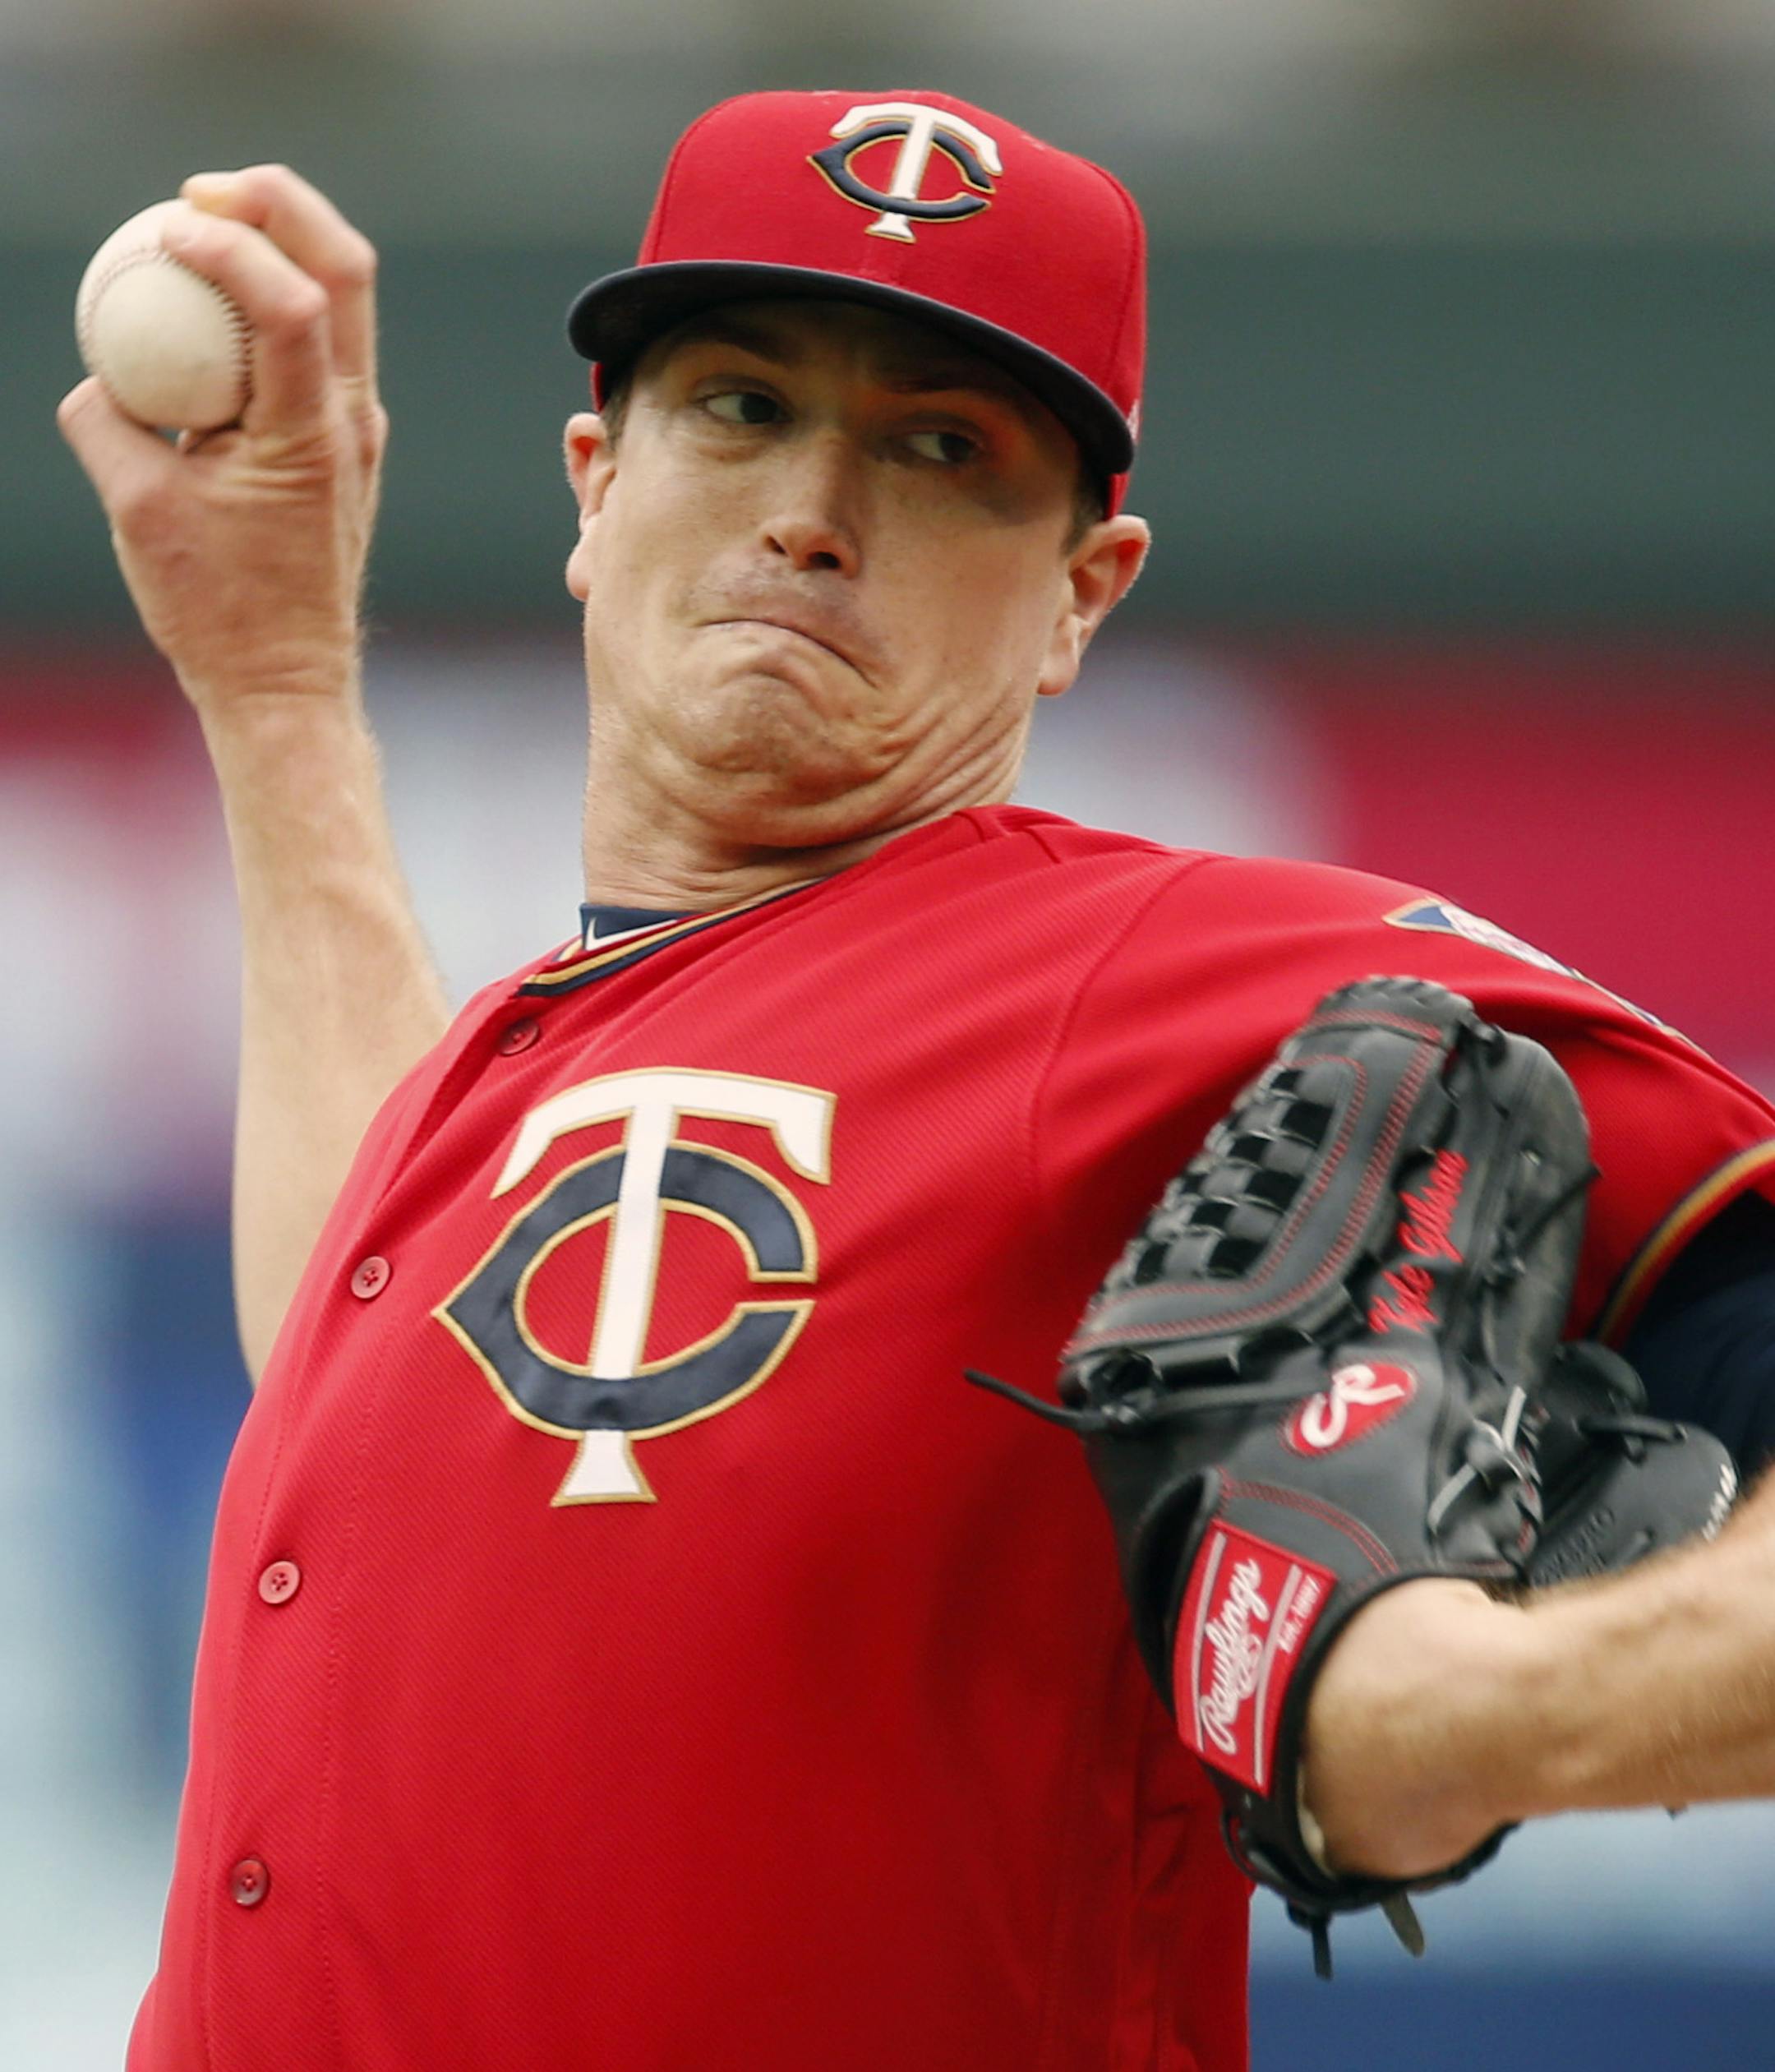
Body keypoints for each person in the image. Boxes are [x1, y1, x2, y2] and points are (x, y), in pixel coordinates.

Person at [59, 88, 1775, 2072]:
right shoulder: (528, 1066)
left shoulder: (1180, 973)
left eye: (941, 447)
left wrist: (1479, 1720)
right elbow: (363, 1329)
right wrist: (271, 676)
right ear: (594, 478)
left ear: (1083, 591)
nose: (812, 503)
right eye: (740, 404)